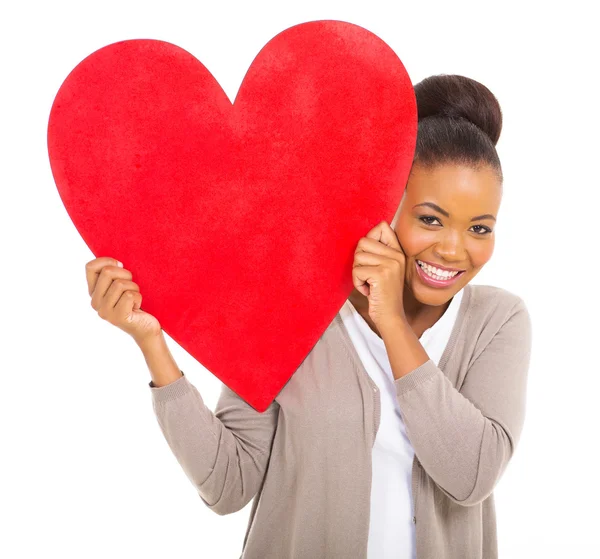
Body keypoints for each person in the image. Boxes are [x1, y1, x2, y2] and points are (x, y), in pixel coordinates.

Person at [85, 74, 532, 559]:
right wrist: (152, 343)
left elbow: (472, 475)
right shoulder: (293, 307)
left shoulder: (497, 320)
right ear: (387, 204)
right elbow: (228, 484)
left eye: (479, 228)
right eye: (429, 218)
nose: (452, 248)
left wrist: (393, 325)